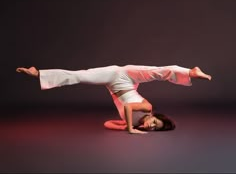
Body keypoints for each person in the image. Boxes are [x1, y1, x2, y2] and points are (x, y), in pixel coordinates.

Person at [16, 64, 212, 134]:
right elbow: (127, 108)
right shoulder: (147, 107)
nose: (151, 125)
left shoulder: (135, 123)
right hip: (125, 76)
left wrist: (127, 127)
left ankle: (40, 73)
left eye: (155, 128)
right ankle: (190, 72)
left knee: (79, 76)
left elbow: (108, 123)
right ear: (154, 116)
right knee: (156, 72)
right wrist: (130, 129)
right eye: (155, 122)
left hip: (112, 81)